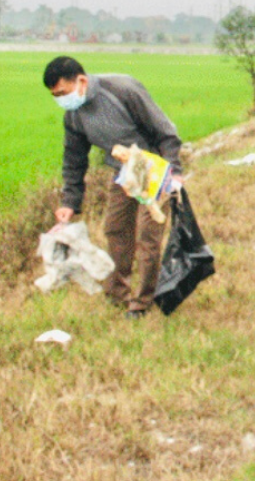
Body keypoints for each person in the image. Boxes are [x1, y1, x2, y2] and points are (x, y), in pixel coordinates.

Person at [43, 56, 184, 320]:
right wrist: (69, 202)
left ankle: (141, 303)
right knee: (115, 229)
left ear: (81, 81)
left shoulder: (122, 90)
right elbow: (73, 160)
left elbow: (165, 130)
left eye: (63, 92)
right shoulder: (73, 115)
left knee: (147, 236)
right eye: (55, 96)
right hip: (123, 172)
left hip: (153, 167)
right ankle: (119, 294)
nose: (61, 99)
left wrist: (174, 171)